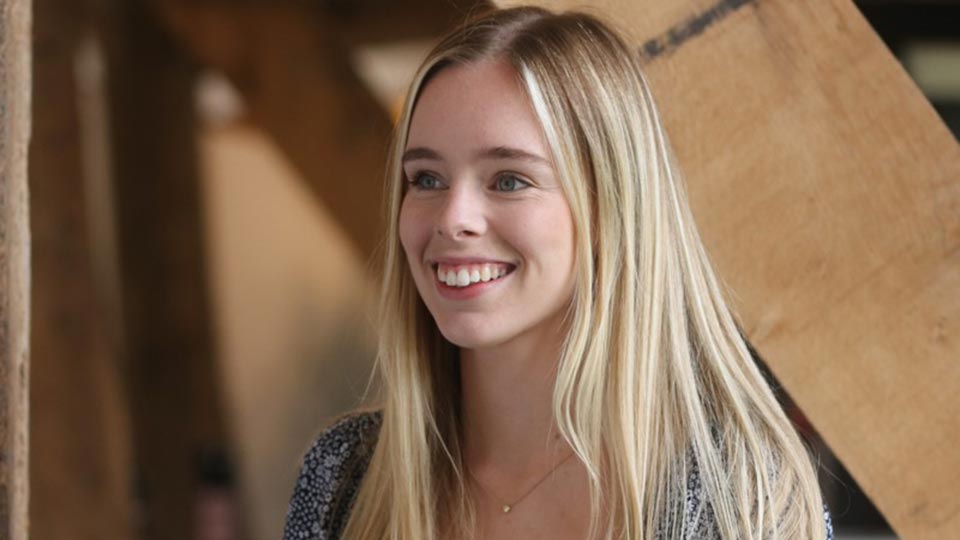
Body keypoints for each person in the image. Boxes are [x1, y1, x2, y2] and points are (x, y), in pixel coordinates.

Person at [284, 6, 834, 539]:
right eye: (426, 179)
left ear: (609, 209)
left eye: (509, 180)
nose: (453, 218)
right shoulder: (343, 476)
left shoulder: (740, 495)